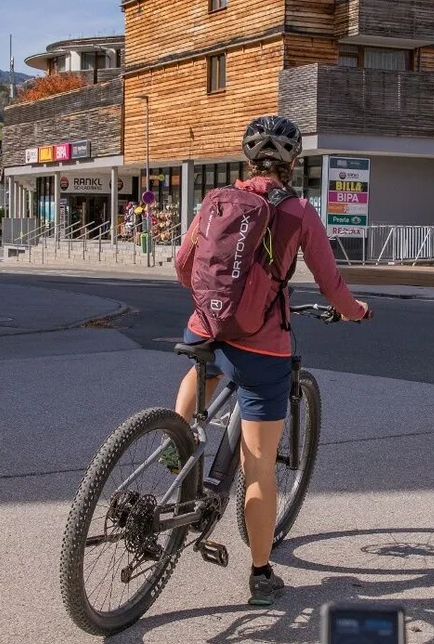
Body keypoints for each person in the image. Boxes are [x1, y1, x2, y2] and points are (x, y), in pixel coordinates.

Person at [172, 115, 370, 607]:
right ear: (293, 163)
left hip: (204, 324)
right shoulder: (300, 211)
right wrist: (356, 312)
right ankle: (261, 575)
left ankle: (175, 446)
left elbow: (183, 264)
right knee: (258, 467)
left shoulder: (216, 200)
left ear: (246, 159)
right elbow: (331, 284)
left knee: (205, 367)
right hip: (261, 343)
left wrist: (214, 303)